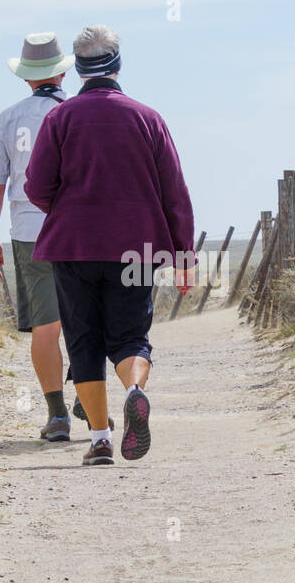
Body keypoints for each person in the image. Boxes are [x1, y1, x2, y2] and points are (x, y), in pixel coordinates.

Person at [24, 24, 196, 466]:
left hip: (74, 245)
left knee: (83, 341)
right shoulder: (147, 118)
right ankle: (135, 390)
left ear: (77, 68)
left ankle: (100, 440)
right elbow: (173, 192)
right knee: (130, 338)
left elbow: (37, 187)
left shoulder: (59, 119)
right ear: (117, 64)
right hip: (137, 248)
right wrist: (184, 259)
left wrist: (66, 206)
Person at [0, 31, 75, 442]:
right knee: (88, 317)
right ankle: (91, 391)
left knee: (46, 326)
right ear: (62, 72)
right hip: (80, 231)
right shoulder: (78, 114)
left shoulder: (6, 120)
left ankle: (57, 416)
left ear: (25, 77)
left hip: (30, 232)